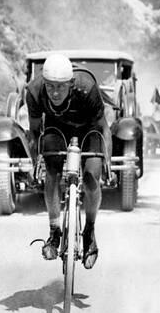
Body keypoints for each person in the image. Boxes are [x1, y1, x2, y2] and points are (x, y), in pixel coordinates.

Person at [26, 53, 112, 270]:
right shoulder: (35, 92)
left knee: (92, 177)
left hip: (89, 128)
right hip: (57, 127)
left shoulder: (87, 87)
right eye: (50, 86)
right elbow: (35, 131)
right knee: (52, 171)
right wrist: (37, 160)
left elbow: (104, 127)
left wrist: (107, 161)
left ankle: (89, 232)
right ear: (43, 83)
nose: (55, 93)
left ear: (71, 84)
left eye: (61, 87)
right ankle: (54, 233)